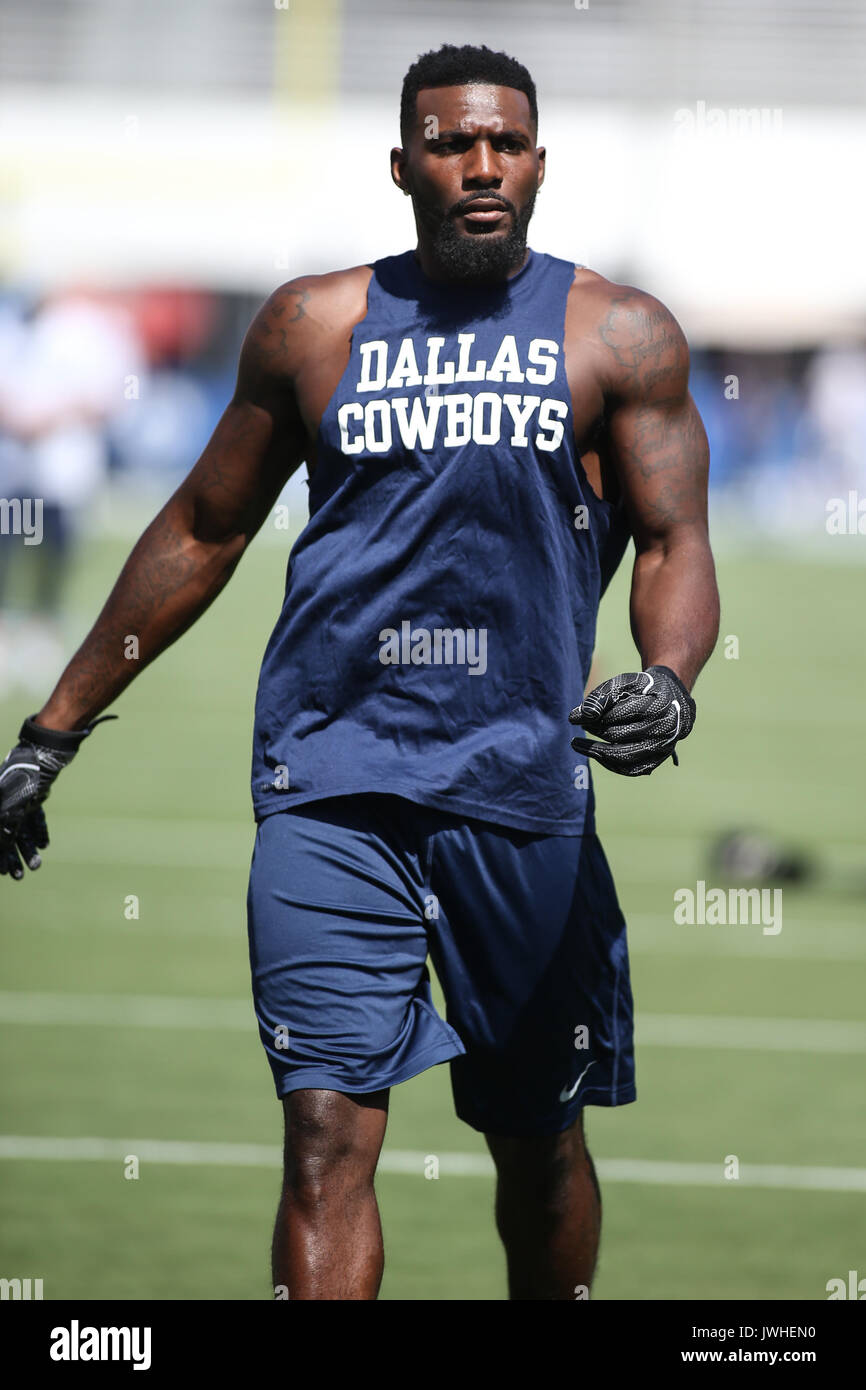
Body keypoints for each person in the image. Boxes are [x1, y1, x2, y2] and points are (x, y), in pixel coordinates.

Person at [0, 44, 719, 1300]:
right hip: (330, 783)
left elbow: (672, 541)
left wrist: (667, 677)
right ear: (403, 166)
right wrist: (52, 729)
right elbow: (202, 527)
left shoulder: (615, 331)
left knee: (537, 1142)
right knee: (326, 1135)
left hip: (519, 791)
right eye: (449, 144)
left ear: (538, 161)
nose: (479, 166)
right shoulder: (312, 323)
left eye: (504, 143)